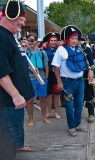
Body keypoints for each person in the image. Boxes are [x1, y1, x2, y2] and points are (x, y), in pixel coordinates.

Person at [0, 0, 35, 156]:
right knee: (6, 142)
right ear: (11, 14)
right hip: (7, 101)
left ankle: (16, 147)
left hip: (15, 102)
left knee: (13, 133)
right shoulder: (1, 36)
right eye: (22, 17)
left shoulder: (10, 37)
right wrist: (15, 95)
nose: (24, 22)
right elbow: (1, 71)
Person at [52, 25, 94, 136]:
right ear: (67, 39)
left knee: (79, 104)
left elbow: (86, 62)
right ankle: (71, 127)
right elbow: (55, 67)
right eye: (72, 38)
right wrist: (59, 81)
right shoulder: (60, 50)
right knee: (69, 106)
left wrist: (90, 71)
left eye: (76, 38)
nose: (75, 40)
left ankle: (77, 124)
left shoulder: (79, 49)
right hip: (67, 82)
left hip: (80, 80)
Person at [25, 33, 50, 127]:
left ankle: (44, 117)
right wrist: (29, 68)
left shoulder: (42, 52)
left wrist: (46, 78)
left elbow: (46, 66)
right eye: (29, 40)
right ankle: (31, 119)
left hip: (42, 79)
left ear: (36, 41)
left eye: (32, 40)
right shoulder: (26, 53)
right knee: (29, 100)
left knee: (43, 99)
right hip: (30, 79)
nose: (30, 42)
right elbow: (22, 66)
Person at [43, 32, 61, 119]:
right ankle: (49, 112)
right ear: (49, 42)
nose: (53, 42)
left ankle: (56, 112)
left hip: (57, 75)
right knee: (49, 94)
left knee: (56, 94)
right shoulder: (45, 51)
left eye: (55, 40)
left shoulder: (60, 50)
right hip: (48, 74)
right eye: (52, 40)